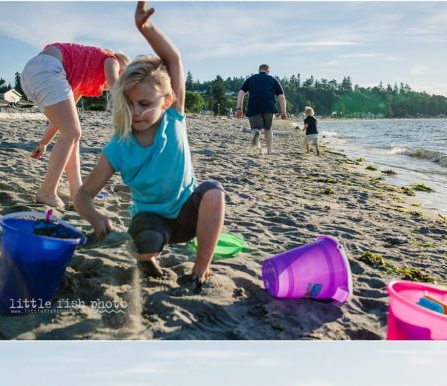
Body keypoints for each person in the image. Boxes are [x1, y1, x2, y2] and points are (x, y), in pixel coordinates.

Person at [74, 3, 225, 290]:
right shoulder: (119, 146)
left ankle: (199, 272)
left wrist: (146, 28)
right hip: (151, 219)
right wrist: (95, 216)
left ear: (165, 101)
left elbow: (174, 59)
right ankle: (146, 259)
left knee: (214, 191)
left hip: (187, 213)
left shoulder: (174, 118)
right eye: (129, 104)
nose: (136, 112)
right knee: (145, 244)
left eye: (145, 104)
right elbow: (83, 194)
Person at [19, 40, 129, 209]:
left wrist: (44, 142)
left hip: (31, 74)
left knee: (72, 133)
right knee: (72, 133)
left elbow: (64, 122)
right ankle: (47, 192)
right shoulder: (112, 59)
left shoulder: (82, 76)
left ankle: (76, 191)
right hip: (47, 69)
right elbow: (115, 86)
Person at [234, 63, 286, 154]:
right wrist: (283, 112)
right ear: (268, 71)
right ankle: (269, 150)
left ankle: (256, 133)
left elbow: (241, 93)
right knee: (268, 129)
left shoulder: (251, 79)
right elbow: (281, 97)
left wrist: (239, 108)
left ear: (259, 70)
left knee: (255, 128)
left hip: (254, 106)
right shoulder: (273, 80)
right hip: (269, 107)